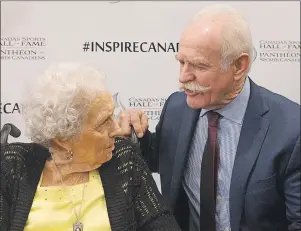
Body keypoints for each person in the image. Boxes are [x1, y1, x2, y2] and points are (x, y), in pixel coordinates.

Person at [117, 4, 301, 231]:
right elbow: (161, 158)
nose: (183, 77)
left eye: (199, 66)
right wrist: (137, 134)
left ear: (238, 66)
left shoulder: (291, 129)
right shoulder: (177, 106)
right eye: (181, 62)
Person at [0, 63, 181, 231]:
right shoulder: (13, 166)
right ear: (63, 137)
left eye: (113, 116)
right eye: (103, 123)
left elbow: (162, 224)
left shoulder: (124, 161)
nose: (117, 129)